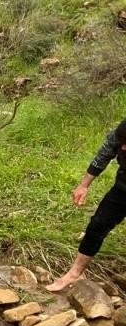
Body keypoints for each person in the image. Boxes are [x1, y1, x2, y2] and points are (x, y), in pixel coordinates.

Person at [47, 117, 126, 292]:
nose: (123, 148)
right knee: (98, 224)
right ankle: (75, 274)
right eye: (122, 143)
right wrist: (83, 185)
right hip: (123, 187)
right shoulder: (119, 134)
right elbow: (103, 156)